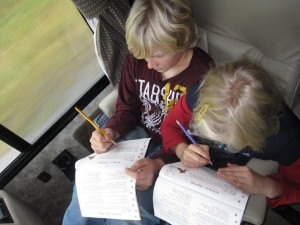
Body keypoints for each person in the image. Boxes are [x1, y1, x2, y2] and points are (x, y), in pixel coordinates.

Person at [62, 0, 214, 224]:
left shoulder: (204, 76)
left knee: (133, 206)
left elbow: (198, 140)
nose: (149, 64)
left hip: (175, 151)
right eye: (143, 56)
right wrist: (111, 131)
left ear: (182, 39)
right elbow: (127, 108)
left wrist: (159, 163)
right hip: (136, 135)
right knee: (89, 186)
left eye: (157, 55)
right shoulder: (138, 60)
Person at [161, 59, 300, 208]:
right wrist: (181, 150)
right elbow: (170, 126)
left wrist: (266, 185)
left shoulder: (289, 138)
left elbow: (296, 187)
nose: (220, 144)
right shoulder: (201, 95)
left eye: (230, 142)